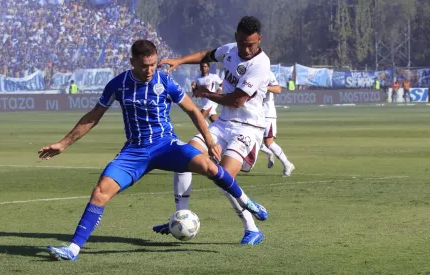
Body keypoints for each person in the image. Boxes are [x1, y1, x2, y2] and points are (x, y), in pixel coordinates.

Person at [40, 40, 268, 261]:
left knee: (209, 166)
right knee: (100, 192)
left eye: (153, 64)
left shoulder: (165, 81)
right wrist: (63, 143)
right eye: (144, 65)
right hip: (134, 152)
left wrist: (210, 141)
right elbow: (93, 117)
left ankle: (247, 202)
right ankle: (73, 249)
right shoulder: (117, 85)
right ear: (132, 62)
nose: (150, 70)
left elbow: (193, 111)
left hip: (166, 146)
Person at [152, 16, 271, 245]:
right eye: (243, 43)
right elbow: (207, 54)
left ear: (259, 40)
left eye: (252, 45)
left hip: (248, 128)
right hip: (222, 124)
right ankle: (179, 217)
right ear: (236, 37)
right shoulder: (230, 50)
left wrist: (205, 94)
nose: (246, 49)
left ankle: (252, 228)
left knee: (223, 177)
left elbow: (237, 100)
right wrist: (179, 60)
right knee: (183, 157)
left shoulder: (260, 64)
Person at [259, 72, 295, 175]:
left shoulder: (268, 74)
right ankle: (268, 152)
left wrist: (264, 87)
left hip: (267, 114)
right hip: (255, 113)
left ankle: (287, 164)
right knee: (251, 138)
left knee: (269, 143)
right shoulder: (250, 73)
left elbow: (278, 89)